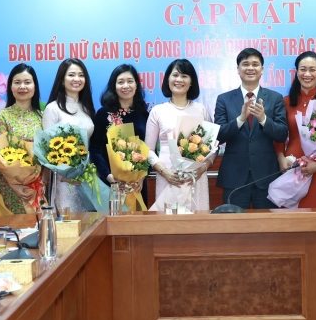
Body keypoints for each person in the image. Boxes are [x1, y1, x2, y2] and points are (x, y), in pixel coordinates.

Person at [214, 48, 288, 209]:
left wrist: (263, 119)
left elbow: (282, 134)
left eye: (255, 64)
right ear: (238, 69)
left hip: (267, 176)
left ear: (262, 69)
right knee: (234, 223)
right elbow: (218, 135)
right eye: (245, 64)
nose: (250, 68)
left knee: (267, 223)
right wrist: (240, 119)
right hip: (234, 177)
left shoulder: (275, 98)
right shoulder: (224, 99)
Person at [274, 51, 316, 208]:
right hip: (292, 166)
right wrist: (280, 157)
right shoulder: (286, 102)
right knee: (292, 216)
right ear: (296, 72)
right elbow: (278, 134)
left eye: (312, 69)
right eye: (303, 69)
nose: (307, 74)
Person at [146, 59, 215, 211]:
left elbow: (212, 148)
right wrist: (164, 172)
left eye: (184, 76)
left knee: (197, 221)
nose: (179, 79)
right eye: (175, 75)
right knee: (168, 221)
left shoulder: (201, 110)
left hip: (196, 179)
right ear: (167, 79)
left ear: (191, 82)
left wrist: (202, 168)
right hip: (168, 178)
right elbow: (148, 150)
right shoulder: (158, 111)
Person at [88, 64, 150, 205]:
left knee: (137, 217)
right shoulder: (103, 114)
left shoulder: (143, 114)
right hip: (111, 184)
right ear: (114, 86)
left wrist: (142, 177)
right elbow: (95, 150)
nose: (125, 86)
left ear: (136, 84)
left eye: (130, 81)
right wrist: (109, 177)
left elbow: (150, 150)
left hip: (137, 185)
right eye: (120, 82)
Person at [44, 58, 96, 213]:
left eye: (81, 75)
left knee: (88, 222)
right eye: (71, 75)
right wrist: (65, 176)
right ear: (62, 80)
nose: (77, 79)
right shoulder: (52, 109)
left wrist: (87, 173)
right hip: (63, 182)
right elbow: (47, 150)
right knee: (67, 221)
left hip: (86, 179)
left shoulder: (86, 108)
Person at [0, 63, 43, 214]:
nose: (22, 87)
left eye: (27, 82)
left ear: (34, 86)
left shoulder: (42, 116)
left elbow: (46, 153)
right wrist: (15, 185)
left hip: (36, 184)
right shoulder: (2, 116)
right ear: (11, 87)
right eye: (17, 82)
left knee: (37, 225)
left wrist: (43, 181)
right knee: (12, 227)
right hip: (9, 186)